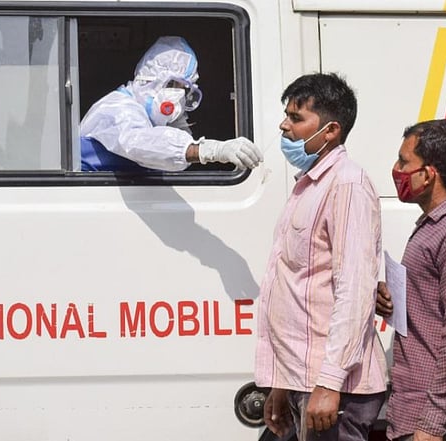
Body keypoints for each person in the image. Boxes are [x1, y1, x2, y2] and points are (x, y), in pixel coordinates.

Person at [254, 73, 387, 441]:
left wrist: (329, 383)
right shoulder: (309, 184)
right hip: (302, 379)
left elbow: (355, 292)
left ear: (330, 131)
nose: (284, 126)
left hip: (332, 388)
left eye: (296, 119)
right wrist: (281, 385)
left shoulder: (347, 185)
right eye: (287, 116)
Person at [377, 119, 446, 441]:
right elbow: (430, 314)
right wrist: (391, 302)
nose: (395, 169)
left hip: (439, 426)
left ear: (428, 174)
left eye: (404, 161)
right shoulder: (433, 227)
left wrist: (432, 423)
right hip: (412, 413)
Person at [79, 36, 262, 172]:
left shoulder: (146, 116)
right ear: (149, 79)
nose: (178, 95)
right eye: (172, 85)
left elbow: (171, 159)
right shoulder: (117, 108)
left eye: (184, 89)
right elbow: (140, 143)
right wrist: (210, 150)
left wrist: (178, 123)